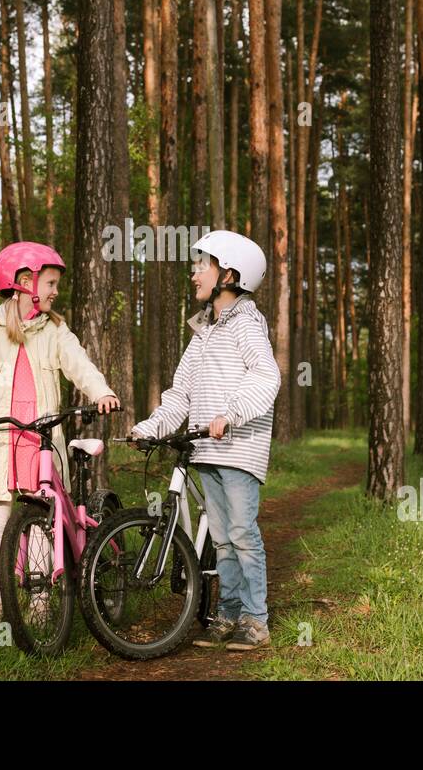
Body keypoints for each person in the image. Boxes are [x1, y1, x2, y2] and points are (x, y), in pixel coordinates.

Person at [0, 241, 119, 630]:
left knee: (43, 516)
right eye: (51, 282)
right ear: (26, 282)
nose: (56, 291)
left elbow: (80, 365)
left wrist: (101, 392)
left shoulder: (55, 329)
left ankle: (41, 601)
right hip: (0, 438)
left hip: (39, 439)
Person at [131, 230, 281, 651]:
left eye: (203, 265)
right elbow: (181, 393)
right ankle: (228, 614)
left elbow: (266, 375)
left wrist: (230, 414)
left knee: (241, 532)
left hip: (239, 448)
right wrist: (151, 427)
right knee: (222, 539)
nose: (194, 273)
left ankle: (256, 619)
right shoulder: (204, 332)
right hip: (207, 449)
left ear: (229, 274)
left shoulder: (247, 324)